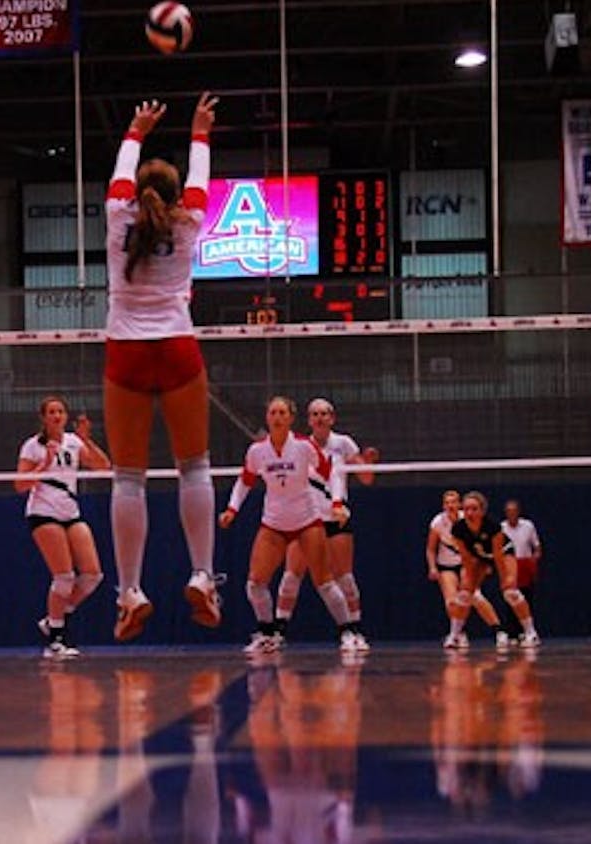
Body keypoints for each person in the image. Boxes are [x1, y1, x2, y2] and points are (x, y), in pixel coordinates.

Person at [101, 93, 223, 641]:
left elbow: (121, 173)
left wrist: (136, 127)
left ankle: (130, 591)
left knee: (128, 477)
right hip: (177, 346)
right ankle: (202, 575)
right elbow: (201, 176)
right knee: (194, 467)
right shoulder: (189, 220)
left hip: (126, 350)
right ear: (174, 196)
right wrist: (200, 130)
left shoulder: (117, 215)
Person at [219, 396, 348, 654]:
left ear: (291, 418)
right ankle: (268, 634)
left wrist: (336, 503)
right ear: (267, 418)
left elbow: (330, 472)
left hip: (307, 521)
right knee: (255, 583)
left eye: (282, 413)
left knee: (324, 580)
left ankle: (349, 631)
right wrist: (232, 509)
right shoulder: (257, 451)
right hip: (274, 523)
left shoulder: (303, 446)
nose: (277, 417)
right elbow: (245, 481)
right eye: (273, 413)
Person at [15, 396, 111, 658]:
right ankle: (55, 640)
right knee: (64, 576)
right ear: (43, 418)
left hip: (70, 511)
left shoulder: (73, 442)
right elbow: (20, 484)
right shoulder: (33, 445)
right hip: (43, 512)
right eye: (51, 412)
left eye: (60, 411)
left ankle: (54, 617)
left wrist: (86, 440)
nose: (57, 416)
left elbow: (103, 467)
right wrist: (44, 464)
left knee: (92, 575)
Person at [281, 398, 378, 652]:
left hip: (336, 518)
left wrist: (368, 462)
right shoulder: (299, 446)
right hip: (305, 519)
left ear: (332, 418)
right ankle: (277, 633)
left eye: (324, 413)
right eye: (315, 414)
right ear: (309, 420)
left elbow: (366, 478)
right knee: (291, 576)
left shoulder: (343, 444)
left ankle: (354, 632)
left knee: (344, 577)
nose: (320, 418)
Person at [448, 492, 538, 651]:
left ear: (482, 511)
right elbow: (466, 558)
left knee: (510, 592)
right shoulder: (458, 529)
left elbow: (498, 556)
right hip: (480, 557)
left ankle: (531, 633)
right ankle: (454, 635)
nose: (469, 513)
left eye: (474, 509)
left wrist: (504, 580)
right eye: (466, 509)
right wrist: (470, 582)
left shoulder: (493, 527)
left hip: (503, 553)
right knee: (465, 594)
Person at [424, 490, 505, 643]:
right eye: (447, 503)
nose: (450, 505)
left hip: (466, 562)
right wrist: (432, 567)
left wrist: (485, 563)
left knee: (475, 596)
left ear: (459, 504)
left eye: (453, 502)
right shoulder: (438, 522)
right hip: (446, 565)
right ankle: (458, 634)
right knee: (451, 601)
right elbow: (430, 548)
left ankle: (498, 630)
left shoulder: (467, 518)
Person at [495, 499, 544, 644]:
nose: (511, 514)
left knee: (526, 598)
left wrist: (534, 559)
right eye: (509, 512)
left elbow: (537, 547)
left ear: (518, 512)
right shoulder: (501, 528)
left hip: (525, 564)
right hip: (509, 565)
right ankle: (512, 633)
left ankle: (526, 632)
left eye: (514, 511)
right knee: (510, 598)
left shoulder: (528, 526)